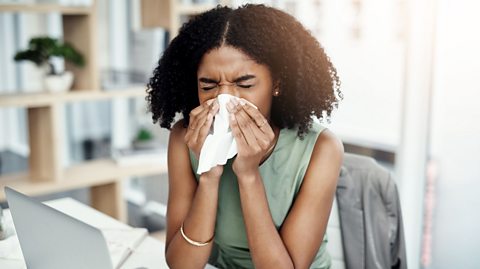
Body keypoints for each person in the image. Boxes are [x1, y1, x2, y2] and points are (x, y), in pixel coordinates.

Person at [146, 4, 344, 269]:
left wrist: (249, 175)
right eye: (208, 85)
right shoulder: (185, 138)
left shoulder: (323, 148)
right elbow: (182, 265)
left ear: (277, 83)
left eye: (244, 84)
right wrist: (208, 174)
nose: (225, 99)